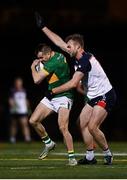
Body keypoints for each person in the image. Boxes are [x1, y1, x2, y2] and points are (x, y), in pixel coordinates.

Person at [35, 12, 117, 165]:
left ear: (78, 47)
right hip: (93, 96)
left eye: (70, 46)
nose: (67, 48)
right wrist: (43, 27)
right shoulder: (77, 55)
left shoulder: (85, 61)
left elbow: (73, 84)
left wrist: (54, 91)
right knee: (81, 123)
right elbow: (59, 42)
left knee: (92, 126)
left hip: (105, 95)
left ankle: (107, 153)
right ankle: (90, 157)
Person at [29, 43, 77, 166]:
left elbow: (36, 80)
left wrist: (33, 67)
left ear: (48, 54)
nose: (40, 60)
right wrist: (42, 64)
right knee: (33, 120)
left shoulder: (52, 63)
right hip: (52, 95)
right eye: (39, 58)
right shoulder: (57, 55)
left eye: (41, 58)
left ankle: (72, 157)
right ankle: (49, 143)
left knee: (63, 127)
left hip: (64, 95)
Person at [9, 77, 31, 143]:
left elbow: (26, 100)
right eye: (17, 82)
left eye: (20, 82)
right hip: (14, 111)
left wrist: (28, 107)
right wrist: (12, 105)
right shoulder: (12, 91)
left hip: (23, 111)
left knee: (24, 124)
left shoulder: (24, 90)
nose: (19, 83)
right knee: (14, 125)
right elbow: (10, 100)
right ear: (15, 83)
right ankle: (12, 138)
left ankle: (27, 138)